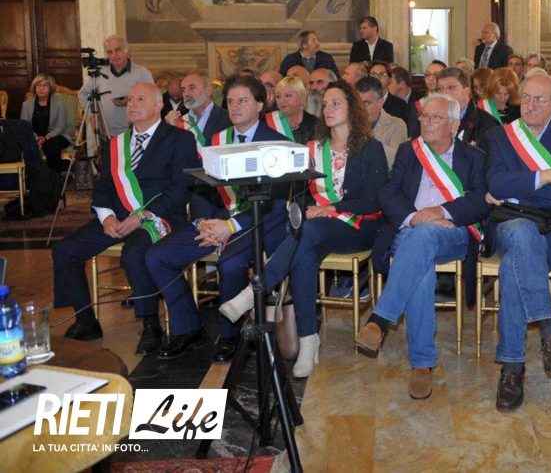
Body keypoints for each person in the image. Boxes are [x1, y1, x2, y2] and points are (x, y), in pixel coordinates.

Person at [220, 81, 390, 378]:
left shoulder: (370, 148)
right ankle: (308, 340)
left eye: (336, 103)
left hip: (360, 226)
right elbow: (300, 197)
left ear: (352, 108)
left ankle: (255, 291)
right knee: (304, 253)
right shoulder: (314, 148)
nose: (328, 109)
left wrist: (332, 208)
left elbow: (375, 199)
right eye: (325, 105)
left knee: (307, 234)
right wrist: (305, 211)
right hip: (318, 228)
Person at [146, 75, 291, 362]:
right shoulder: (217, 140)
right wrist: (203, 222)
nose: (235, 106)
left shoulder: (278, 145)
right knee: (157, 256)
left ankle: (229, 334)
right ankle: (188, 327)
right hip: (216, 219)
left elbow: (274, 207)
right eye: (231, 101)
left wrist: (230, 226)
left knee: (231, 263)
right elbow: (203, 188)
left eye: (243, 101)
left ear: (260, 105)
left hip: (258, 223)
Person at [354, 94, 490, 400]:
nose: (426, 123)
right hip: (410, 230)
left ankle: (379, 320)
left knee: (423, 239)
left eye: (435, 118)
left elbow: (480, 200)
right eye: (424, 117)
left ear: (454, 125)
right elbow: (389, 192)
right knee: (421, 262)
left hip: (453, 232)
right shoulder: (409, 151)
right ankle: (421, 363)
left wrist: (442, 212)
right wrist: (413, 217)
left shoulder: (474, 157)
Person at [51, 83, 197, 352]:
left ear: (159, 105)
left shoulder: (180, 139)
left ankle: (151, 324)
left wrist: (143, 216)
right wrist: (106, 217)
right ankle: (85, 320)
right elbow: (103, 187)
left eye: (140, 99)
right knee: (65, 250)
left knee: (134, 253)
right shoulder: (116, 144)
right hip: (118, 217)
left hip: (159, 217)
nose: (132, 104)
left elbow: (181, 190)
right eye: (130, 99)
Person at [484, 72, 551, 411]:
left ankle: (512, 367)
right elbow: (496, 183)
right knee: (519, 233)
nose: (529, 105)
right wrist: (547, 176)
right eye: (525, 97)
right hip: (505, 226)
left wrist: (516, 191)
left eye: (539, 99)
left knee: (515, 259)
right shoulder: (500, 135)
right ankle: (548, 329)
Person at [79, 35, 155, 138]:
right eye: (110, 52)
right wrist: (92, 117)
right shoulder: (98, 72)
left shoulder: (142, 73)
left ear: (127, 51)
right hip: (105, 133)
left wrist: (130, 101)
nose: (114, 55)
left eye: (118, 50)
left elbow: (153, 99)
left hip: (134, 133)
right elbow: (83, 94)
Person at [21, 73, 70, 173]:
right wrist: (35, 137)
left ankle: (54, 177)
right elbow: (24, 125)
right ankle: (34, 178)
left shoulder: (59, 103)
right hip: (34, 136)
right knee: (27, 145)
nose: (41, 88)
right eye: (38, 85)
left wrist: (46, 137)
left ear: (50, 88)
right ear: (34, 88)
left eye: (45, 85)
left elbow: (61, 126)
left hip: (56, 136)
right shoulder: (26, 105)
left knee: (51, 146)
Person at [355, 76, 407, 169]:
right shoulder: (348, 124)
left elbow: (394, 160)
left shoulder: (397, 125)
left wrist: (366, 140)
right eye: (358, 104)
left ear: (380, 103)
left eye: (366, 103)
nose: (361, 109)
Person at [165, 72, 231, 145]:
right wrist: (170, 129)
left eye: (191, 88)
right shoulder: (179, 122)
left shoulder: (229, 118)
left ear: (208, 90)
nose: (186, 94)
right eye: (183, 90)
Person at [267, 75, 318, 144]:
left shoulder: (316, 125)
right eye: (278, 97)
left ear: (302, 97)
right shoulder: (267, 122)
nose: (282, 101)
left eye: (288, 95)